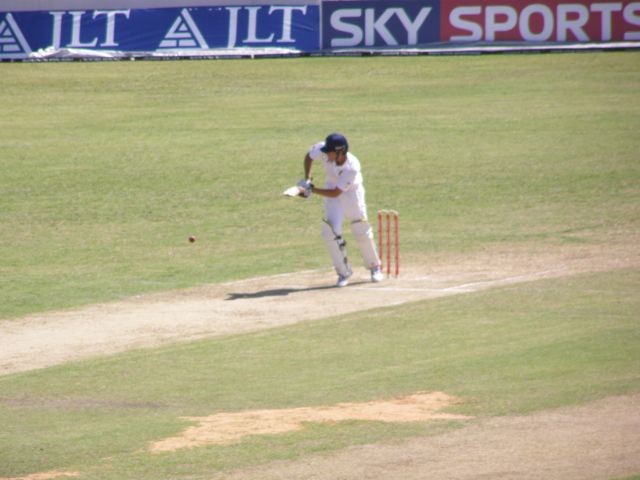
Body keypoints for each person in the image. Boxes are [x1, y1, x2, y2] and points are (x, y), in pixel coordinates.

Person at [297, 133, 384, 287]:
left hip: (351, 192)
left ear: (339, 152)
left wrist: (312, 190)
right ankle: (343, 272)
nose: (325, 154)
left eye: (329, 152)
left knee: (360, 227)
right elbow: (308, 157)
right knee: (329, 232)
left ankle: (374, 266)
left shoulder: (352, 167)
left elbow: (337, 193)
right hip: (331, 187)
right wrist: (308, 179)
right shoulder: (323, 149)